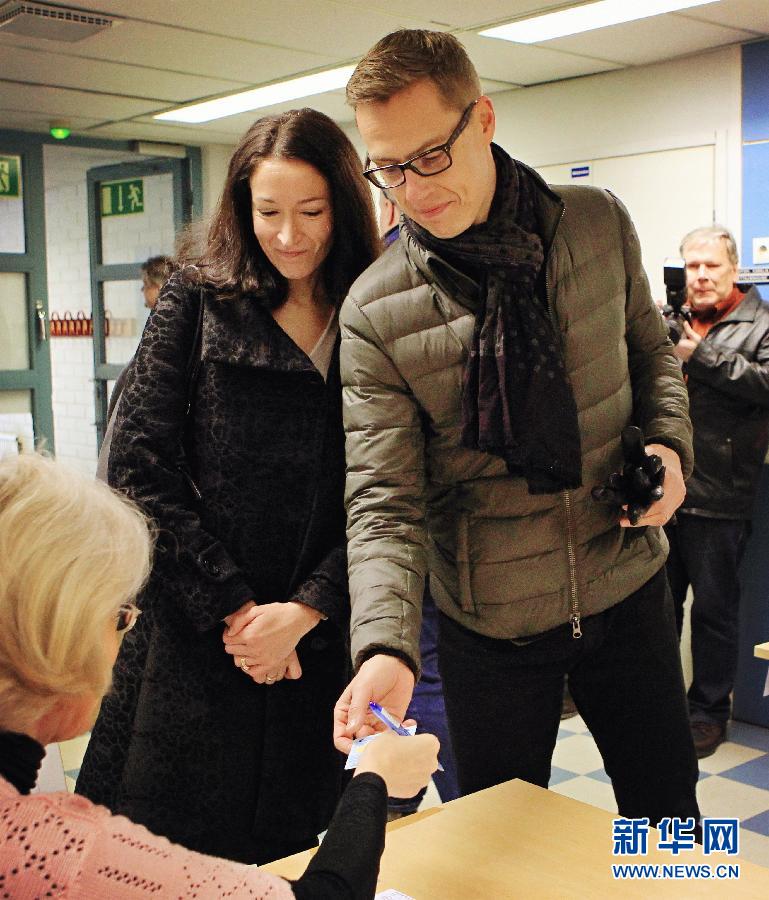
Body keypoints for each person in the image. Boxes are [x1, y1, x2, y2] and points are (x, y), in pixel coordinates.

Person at [333, 29, 700, 831]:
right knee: (498, 840)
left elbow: (651, 357)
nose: (412, 189)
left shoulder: (595, 223)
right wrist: (386, 646)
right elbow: (383, 504)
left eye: (430, 155)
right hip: (490, 623)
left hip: (626, 583)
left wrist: (669, 450)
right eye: (387, 168)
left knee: (669, 818)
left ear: (484, 119)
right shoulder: (374, 310)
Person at [77, 108, 384, 865]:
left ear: (344, 207)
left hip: (318, 638)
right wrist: (240, 612)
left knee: (297, 854)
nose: (289, 236)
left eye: (311, 211)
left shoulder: (375, 306)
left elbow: (397, 486)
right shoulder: (200, 297)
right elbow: (136, 465)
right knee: (161, 854)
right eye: (267, 212)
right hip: (197, 631)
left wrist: (306, 610)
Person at [0, 453, 440, 898]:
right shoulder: (62, 856)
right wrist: (374, 778)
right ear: (53, 644)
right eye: (118, 616)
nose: (120, 641)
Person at [663, 225, 769, 758]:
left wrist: (699, 354)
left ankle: (708, 713)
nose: (701, 276)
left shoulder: (762, 323)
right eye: (693, 266)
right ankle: (659, 706)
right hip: (663, 493)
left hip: (721, 493)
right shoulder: (667, 318)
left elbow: (765, 385)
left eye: (712, 266)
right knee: (658, 611)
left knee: (714, 613)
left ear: (733, 270)